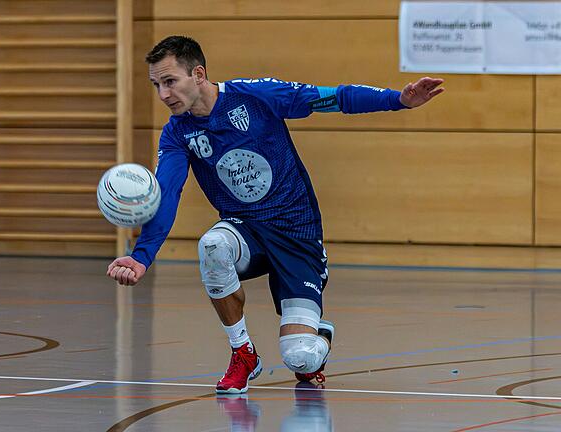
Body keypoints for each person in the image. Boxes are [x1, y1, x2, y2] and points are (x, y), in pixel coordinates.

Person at [106, 35, 444, 394]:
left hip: (295, 231)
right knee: (213, 246)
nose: (163, 94)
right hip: (245, 230)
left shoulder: (255, 96)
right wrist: (142, 257)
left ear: (199, 74)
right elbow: (167, 193)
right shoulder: (177, 133)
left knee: (300, 357)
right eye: (156, 85)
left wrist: (399, 100)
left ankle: (317, 336)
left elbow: (332, 97)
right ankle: (243, 353)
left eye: (170, 82)